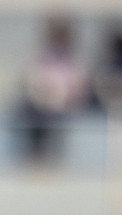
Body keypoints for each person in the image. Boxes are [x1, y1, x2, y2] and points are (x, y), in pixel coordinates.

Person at [14, 14, 88, 163]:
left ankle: (49, 155)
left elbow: (78, 89)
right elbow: (32, 80)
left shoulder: (75, 62)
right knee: (29, 111)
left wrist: (60, 97)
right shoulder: (43, 58)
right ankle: (34, 154)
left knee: (50, 116)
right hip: (42, 104)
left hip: (63, 106)